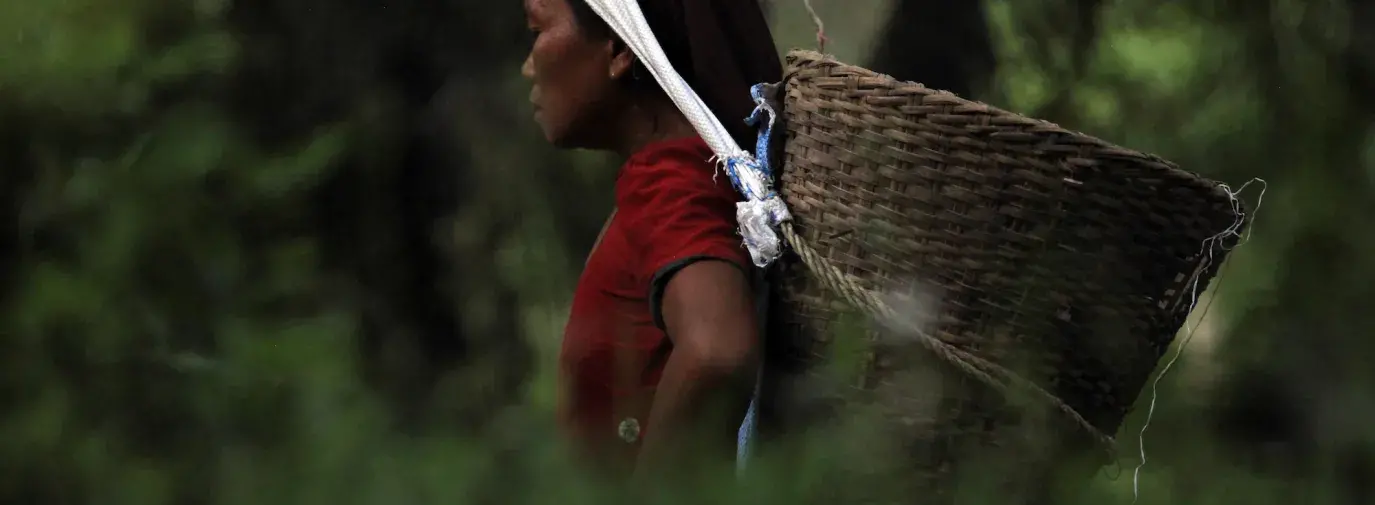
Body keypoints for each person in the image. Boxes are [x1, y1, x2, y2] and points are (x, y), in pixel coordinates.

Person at [520, 0, 783, 482]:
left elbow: (717, 351)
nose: (527, 66)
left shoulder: (668, 179)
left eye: (537, 30)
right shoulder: (685, 172)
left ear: (619, 49)